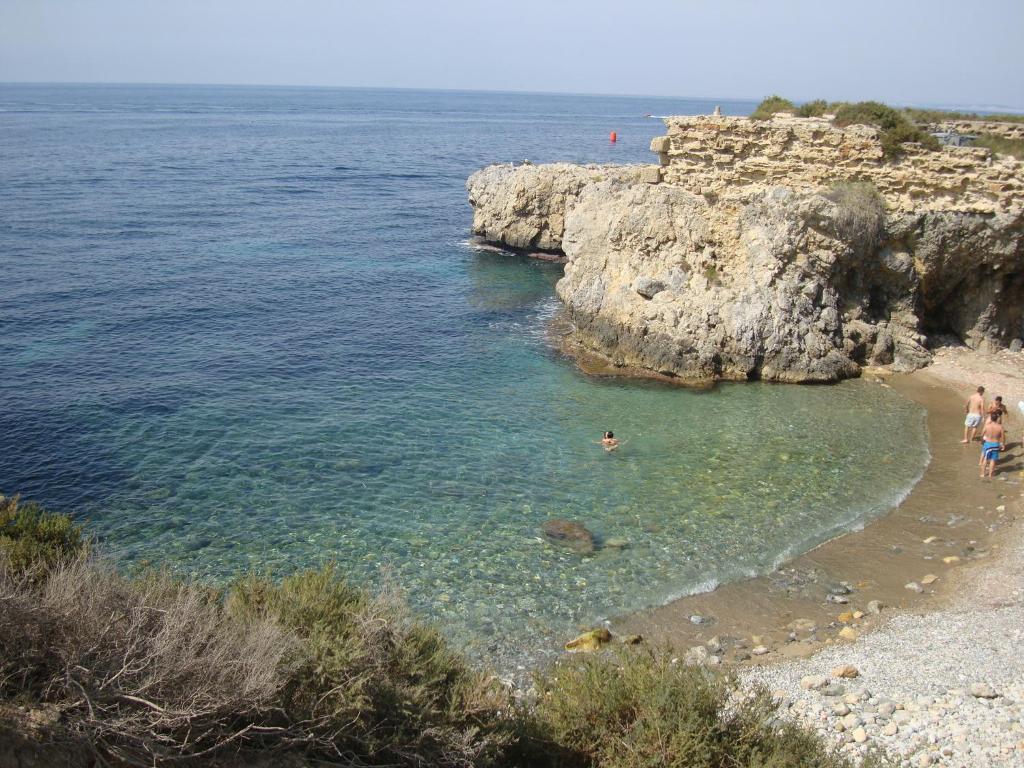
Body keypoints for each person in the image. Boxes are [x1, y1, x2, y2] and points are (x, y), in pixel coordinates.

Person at [979, 411, 1004, 479]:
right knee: (993, 460)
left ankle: (982, 474)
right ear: (997, 419)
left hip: (988, 444)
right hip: (996, 444)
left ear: (991, 418)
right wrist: (1002, 444)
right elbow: (1003, 437)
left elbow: (982, 435)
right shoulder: (1000, 427)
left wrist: (982, 441)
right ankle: (990, 475)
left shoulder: (987, 426)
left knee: (985, 459)